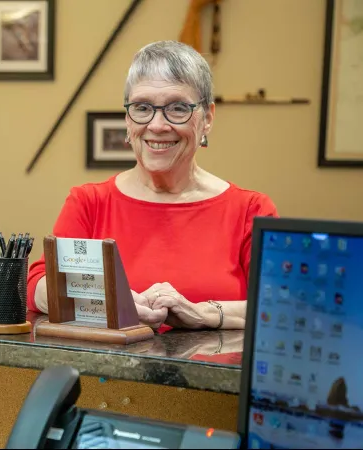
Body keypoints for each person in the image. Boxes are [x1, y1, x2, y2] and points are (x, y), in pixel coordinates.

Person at [27, 40, 278, 331]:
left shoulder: (250, 210)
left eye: (178, 108)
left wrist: (202, 313)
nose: (157, 125)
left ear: (207, 118)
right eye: (142, 107)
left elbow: (284, 306)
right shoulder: (90, 202)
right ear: (127, 119)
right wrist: (110, 302)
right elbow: (38, 285)